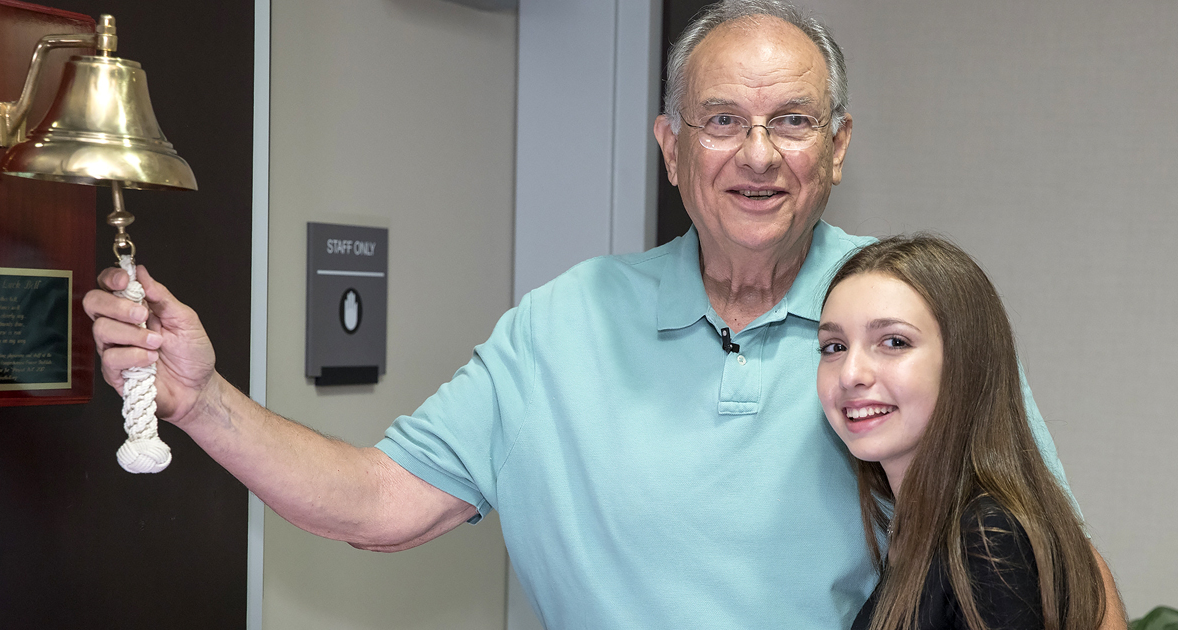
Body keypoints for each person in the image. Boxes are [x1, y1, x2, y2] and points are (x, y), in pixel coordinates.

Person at [83, 1, 1123, 627]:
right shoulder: (562, 324)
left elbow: (1056, 571)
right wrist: (201, 399)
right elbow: (378, 505)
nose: (757, 155)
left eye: (792, 122)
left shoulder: (909, 325)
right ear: (669, 147)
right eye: (722, 121)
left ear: (839, 147)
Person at [816, 235, 1108, 629]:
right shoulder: (922, 528)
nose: (851, 374)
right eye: (834, 347)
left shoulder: (986, 537)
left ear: (964, 363)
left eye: (894, 342)